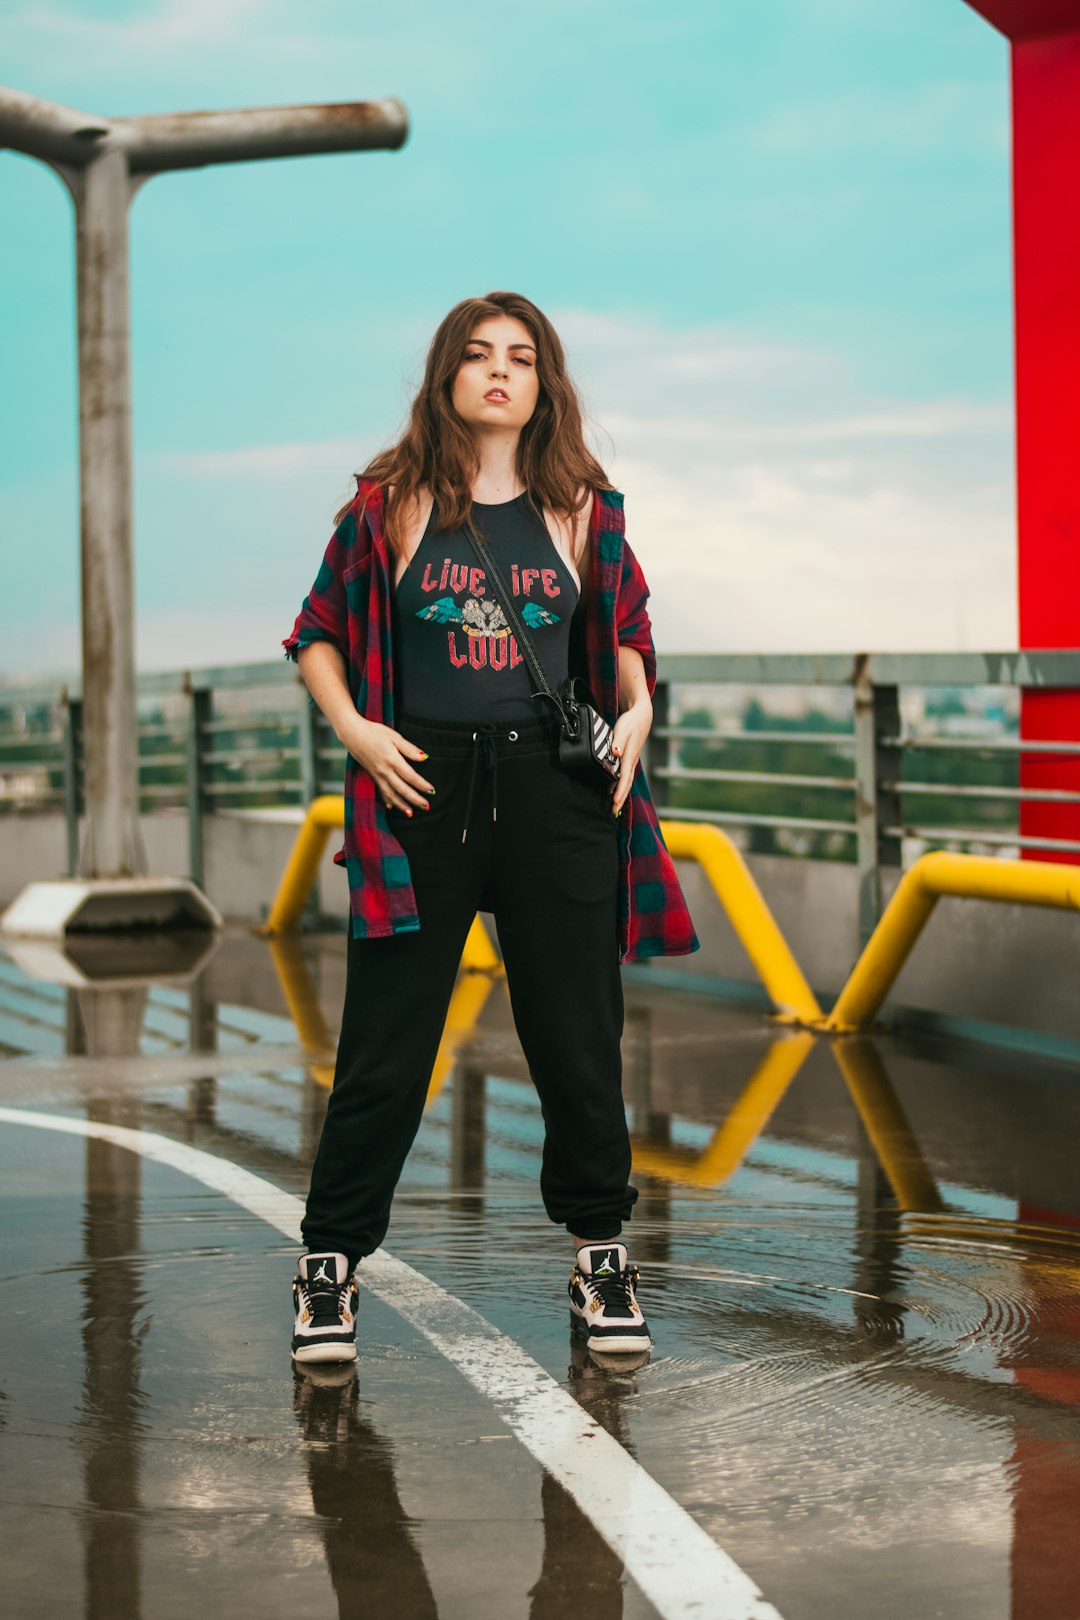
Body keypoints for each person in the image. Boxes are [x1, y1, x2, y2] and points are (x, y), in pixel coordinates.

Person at [282, 290, 699, 1364]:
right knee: (387, 1044)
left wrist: (637, 714)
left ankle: (601, 1258)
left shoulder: (582, 509)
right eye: (479, 357)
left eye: (521, 357)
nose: (501, 373)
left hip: (554, 796)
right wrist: (359, 734)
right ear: (448, 378)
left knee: (577, 1038)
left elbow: (629, 643)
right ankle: (329, 1268)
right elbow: (318, 633)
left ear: (543, 382)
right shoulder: (392, 503)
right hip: (422, 789)